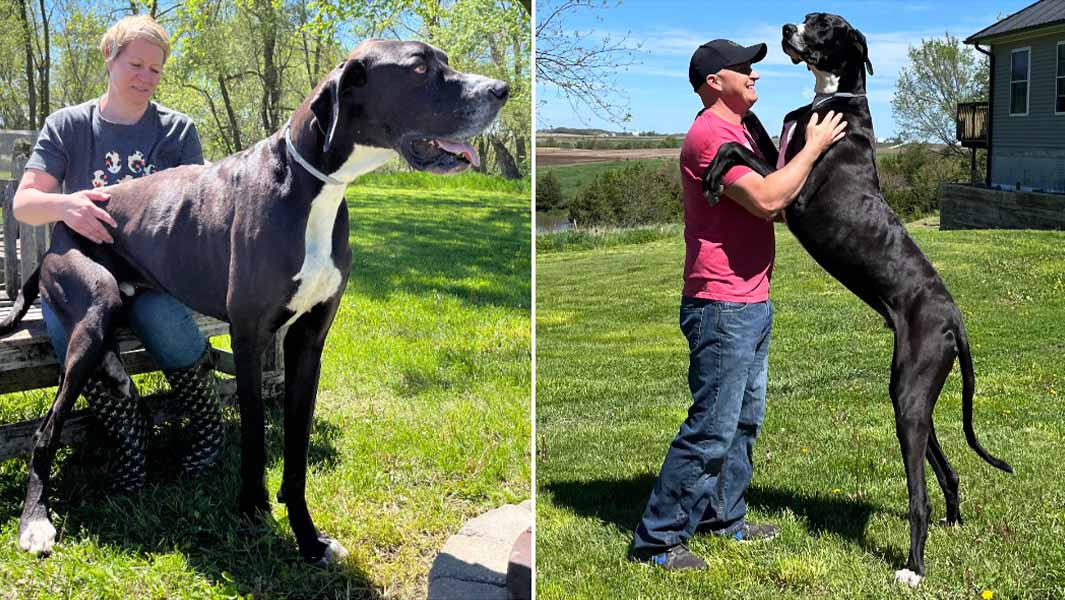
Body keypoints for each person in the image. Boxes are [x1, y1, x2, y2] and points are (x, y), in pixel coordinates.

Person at [628, 39, 847, 570]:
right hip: (720, 303)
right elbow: (771, 198)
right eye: (743, 69)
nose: (755, 75)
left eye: (754, 68)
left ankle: (723, 516)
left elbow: (778, 193)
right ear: (712, 82)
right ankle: (658, 539)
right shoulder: (709, 136)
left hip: (751, 296)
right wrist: (814, 145)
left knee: (744, 421)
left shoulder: (745, 129)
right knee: (711, 426)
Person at [12, 15, 223, 493]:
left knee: (166, 324)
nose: (146, 77)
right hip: (80, 276)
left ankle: (208, 427)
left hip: (149, 276)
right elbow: (25, 204)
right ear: (109, 58)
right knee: (82, 343)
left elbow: (199, 208)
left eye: (156, 69)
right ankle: (131, 439)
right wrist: (66, 205)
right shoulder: (68, 125)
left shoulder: (176, 130)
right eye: (136, 64)